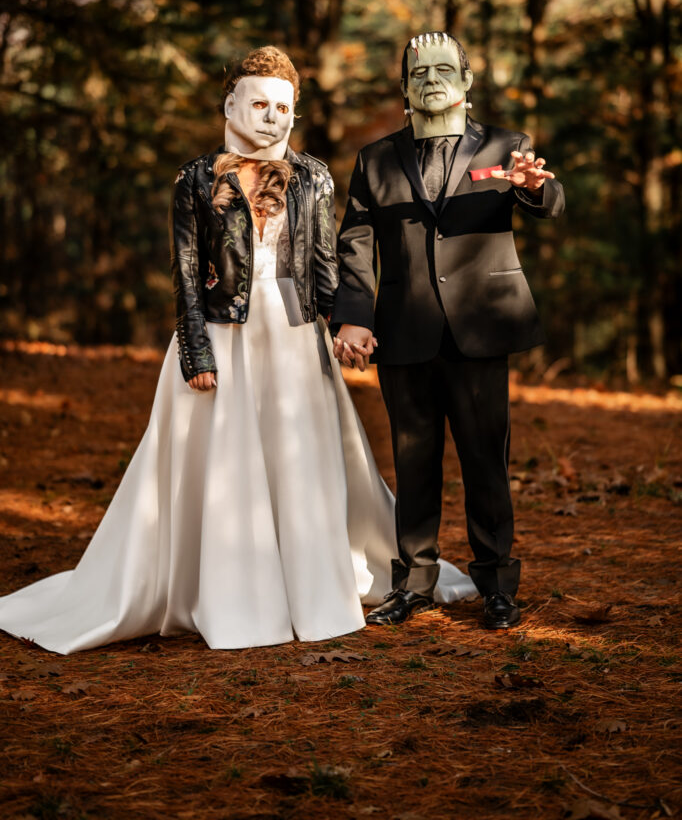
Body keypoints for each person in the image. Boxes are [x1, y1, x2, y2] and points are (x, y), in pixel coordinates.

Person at [0, 45, 475, 655]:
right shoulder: (197, 177)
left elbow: (325, 266)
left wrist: (341, 326)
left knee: (297, 456)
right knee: (221, 459)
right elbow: (187, 268)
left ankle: (305, 579)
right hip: (224, 334)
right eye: (259, 103)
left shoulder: (313, 176)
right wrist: (196, 352)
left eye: (283, 107)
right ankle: (228, 588)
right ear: (230, 104)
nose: (272, 116)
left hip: (295, 339)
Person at [332, 31, 565, 630]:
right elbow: (355, 239)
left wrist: (534, 189)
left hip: (481, 330)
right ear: (405, 89)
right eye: (418, 72)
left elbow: (548, 197)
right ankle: (414, 583)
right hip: (404, 333)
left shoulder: (508, 147)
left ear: (466, 81)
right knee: (414, 463)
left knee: (486, 460)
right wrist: (353, 313)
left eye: (443, 69)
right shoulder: (375, 159)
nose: (431, 79)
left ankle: (496, 584)